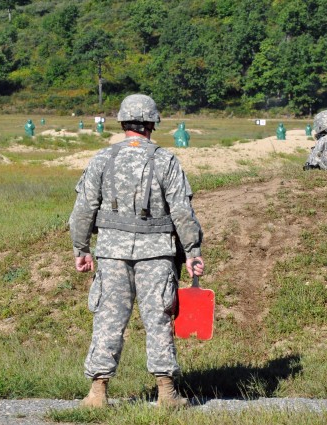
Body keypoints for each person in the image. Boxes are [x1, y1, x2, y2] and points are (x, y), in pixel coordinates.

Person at [69, 94, 204, 409]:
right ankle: (167, 393)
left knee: (108, 319)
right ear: (153, 123)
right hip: (157, 254)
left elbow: (83, 209)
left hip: (112, 253)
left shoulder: (102, 159)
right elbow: (182, 213)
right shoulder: (166, 160)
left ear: (122, 122)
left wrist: (81, 247)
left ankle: (97, 393)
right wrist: (193, 251)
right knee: (159, 318)